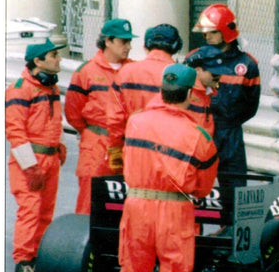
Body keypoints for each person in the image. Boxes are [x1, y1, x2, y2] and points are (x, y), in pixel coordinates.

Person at [111, 63, 219, 272]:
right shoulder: (199, 137)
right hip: (175, 213)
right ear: (188, 94)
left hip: (137, 207)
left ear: (161, 89)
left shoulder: (136, 123)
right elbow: (203, 187)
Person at [6, 39, 67, 272]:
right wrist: (30, 167)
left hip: (49, 158)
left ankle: (38, 259)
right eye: (53, 55)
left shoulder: (50, 87)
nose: (58, 59)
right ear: (38, 62)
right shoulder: (20, 90)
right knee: (30, 212)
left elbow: (54, 121)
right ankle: (23, 264)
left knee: (45, 213)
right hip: (29, 161)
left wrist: (59, 146)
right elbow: (15, 131)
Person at [192, 3, 261, 223]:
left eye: (212, 32)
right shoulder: (194, 58)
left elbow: (251, 106)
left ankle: (229, 235)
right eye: (205, 32)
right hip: (200, 131)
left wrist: (229, 122)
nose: (207, 37)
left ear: (226, 31)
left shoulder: (247, 64)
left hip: (230, 134)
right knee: (191, 187)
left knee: (234, 191)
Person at [65, 18, 135, 214]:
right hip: (97, 143)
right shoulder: (86, 72)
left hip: (126, 144)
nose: (128, 47)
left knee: (126, 201)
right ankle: (84, 242)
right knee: (90, 199)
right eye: (123, 42)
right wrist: (93, 131)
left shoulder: (133, 70)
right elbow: (73, 111)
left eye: (129, 42)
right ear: (108, 41)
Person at [106, 23, 183, 173]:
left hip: (134, 149)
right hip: (171, 153)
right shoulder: (180, 76)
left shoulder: (126, 72)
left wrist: (115, 149)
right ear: (176, 46)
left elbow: (115, 118)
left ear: (147, 45)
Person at [183, 45, 224, 136]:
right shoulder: (185, 93)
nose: (219, 77)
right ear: (197, 70)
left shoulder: (209, 92)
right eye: (214, 73)